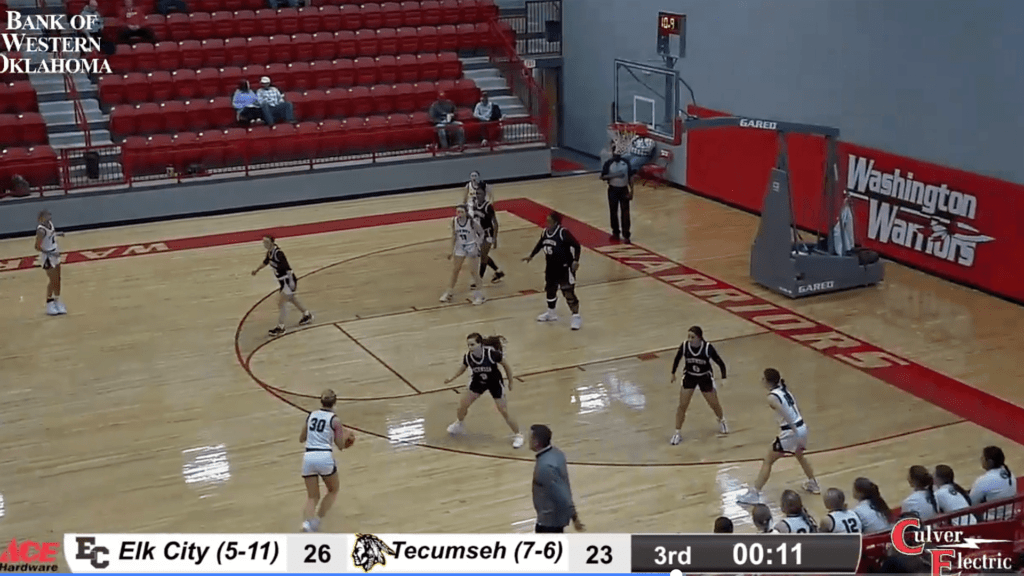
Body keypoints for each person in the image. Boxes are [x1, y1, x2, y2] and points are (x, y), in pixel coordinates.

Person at [737, 368, 819, 504]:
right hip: (802, 427)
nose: (761, 380)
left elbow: (786, 415)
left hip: (792, 431)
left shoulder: (772, 397)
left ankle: (754, 493)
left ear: (768, 381)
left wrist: (794, 432)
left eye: (763, 378)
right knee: (799, 455)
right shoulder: (785, 391)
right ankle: (813, 483)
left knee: (768, 460)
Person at [443, 333, 523, 448]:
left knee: (504, 411)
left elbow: (506, 366)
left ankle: (518, 435)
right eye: (468, 345)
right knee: (462, 405)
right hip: (478, 382)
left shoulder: (491, 354)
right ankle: (459, 423)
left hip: (494, 383)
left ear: (480, 344)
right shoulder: (468, 357)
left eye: (473, 344)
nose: (470, 347)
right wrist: (451, 379)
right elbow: (462, 369)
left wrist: (510, 382)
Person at [299, 389, 355, 533]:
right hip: (324, 457)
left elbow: (301, 438)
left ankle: (306, 524)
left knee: (312, 496)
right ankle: (317, 521)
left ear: (321, 401)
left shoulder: (311, 415)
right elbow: (340, 445)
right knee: (333, 489)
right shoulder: (335, 420)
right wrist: (348, 435)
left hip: (309, 456)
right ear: (335, 402)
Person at [668, 325, 728, 444]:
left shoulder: (707, 348)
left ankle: (722, 420)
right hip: (690, 376)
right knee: (682, 406)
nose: (690, 339)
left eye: (692, 337)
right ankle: (677, 432)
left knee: (714, 403)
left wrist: (724, 378)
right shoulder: (685, 346)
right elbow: (677, 359)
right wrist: (673, 373)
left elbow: (720, 363)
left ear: (699, 338)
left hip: (704, 377)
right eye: (688, 336)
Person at [523, 211, 582, 330]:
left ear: (555, 222)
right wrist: (531, 255)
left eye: (549, 221)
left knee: (568, 292)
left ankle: (576, 317)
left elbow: (577, 246)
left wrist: (575, 260)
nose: (547, 222)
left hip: (564, 268)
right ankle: (551, 313)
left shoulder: (563, 233)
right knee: (550, 290)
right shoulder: (545, 232)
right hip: (550, 268)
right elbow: (540, 244)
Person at [251, 235, 313, 336]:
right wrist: (256, 270)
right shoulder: (270, 253)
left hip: (288, 280)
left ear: (271, 242)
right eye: (263, 242)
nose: (264, 244)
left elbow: (287, 269)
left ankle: (281, 327)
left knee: (282, 302)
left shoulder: (278, 254)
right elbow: (265, 262)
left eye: (266, 242)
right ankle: (307, 314)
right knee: (292, 299)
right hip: (283, 281)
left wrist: (291, 284)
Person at [530, 424, 584, 533]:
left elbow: (561, 495)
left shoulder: (544, 467)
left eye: (530, 438)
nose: (529, 441)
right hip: (555, 518)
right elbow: (564, 485)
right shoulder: (557, 453)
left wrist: (575, 518)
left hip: (548, 522)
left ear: (536, 442)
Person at [439, 204, 486, 305]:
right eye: (458, 212)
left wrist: (478, 243)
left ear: (466, 212)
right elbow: (454, 236)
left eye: (461, 212)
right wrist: (451, 251)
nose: (459, 214)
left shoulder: (472, 222)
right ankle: (449, 292)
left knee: (474, 272)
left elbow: (481, 233)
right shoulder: (454, 221)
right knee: (455, 270)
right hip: (460, 247)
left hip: (471, 246)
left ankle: (480, 295)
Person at [470, 183, 504, 286]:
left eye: (479, 193)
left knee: (483, 256)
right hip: (479, 235)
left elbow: (495, 223)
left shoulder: (488, 207)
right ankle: (498, 272)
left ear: (484, 194)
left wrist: (495, 238)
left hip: (488, 234)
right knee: (483, 256)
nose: (477, 195)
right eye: (476, 193)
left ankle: (479, 280)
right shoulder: (475, 205)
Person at [970, 446, 1017, 519]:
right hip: (1011, 514)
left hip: (992, 519)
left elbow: (972, 503)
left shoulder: (983, 480)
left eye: (982, 458)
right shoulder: (1010, 474)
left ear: (989, 462)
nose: (981, 460)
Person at [35, 210, 66, 316]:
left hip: (55, 252)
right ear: (42, 218)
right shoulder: (41, 231)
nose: (49, 216)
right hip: (48, 256)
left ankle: (57, 300)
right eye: (47, 215)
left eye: (49, 215)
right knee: (52, 280)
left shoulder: (50, 225)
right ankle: (49, 303)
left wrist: (58, 234)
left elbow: (50, 235)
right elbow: (37, 247)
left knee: (58, 279)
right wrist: (51, 254)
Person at [600, 147, 633, 243]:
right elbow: (602, 176)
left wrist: (632, 191)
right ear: (613, 154)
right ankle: (615, 232)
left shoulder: (626, 163)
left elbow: (630, 178)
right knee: (613, 212)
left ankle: (626, 234)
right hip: (613, 189)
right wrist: (615, 175)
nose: (617, 155)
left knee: (625, 213)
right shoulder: (609, 163)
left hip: (624, 189)